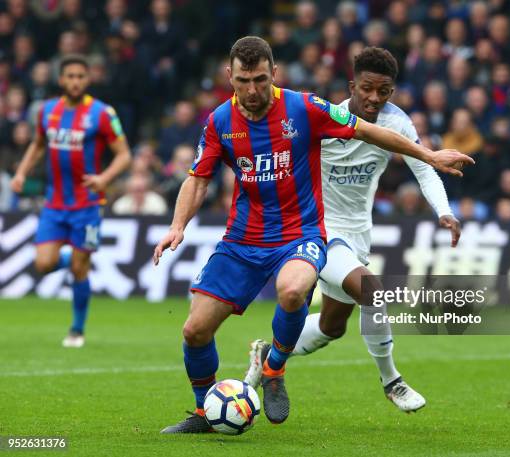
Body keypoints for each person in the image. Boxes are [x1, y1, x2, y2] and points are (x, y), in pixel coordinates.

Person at [153, 36, 473, 433]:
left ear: (275, 73)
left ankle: (273, 365)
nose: (251, 90)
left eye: (259, 79)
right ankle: (207, 411)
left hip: (307, 234)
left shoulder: (305, 108)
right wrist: (177, 226)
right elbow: (198, 179)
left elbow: (370, 133)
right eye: (242, 81)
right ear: (229, 77)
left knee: (312, 309)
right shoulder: (220, 120)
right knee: (195, 330)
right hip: (257, 237)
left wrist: (430, 162)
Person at [245, 47, 460, 413]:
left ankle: (267, 355)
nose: (374, 98)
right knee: (373, 292)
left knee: (332, 327)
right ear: (352, 86)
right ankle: (392, 381)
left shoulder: (397, 124)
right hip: (317, 233)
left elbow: (423, 167)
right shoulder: (325, 119)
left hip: (358, 235)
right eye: (367, 89)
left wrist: (444, 211)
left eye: (384, 91)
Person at [10, 55, 131, 348]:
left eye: (80, 76)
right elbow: (38, 144)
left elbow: (124, 154)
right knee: (43, 264)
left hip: (88, 204)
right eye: (70, 76)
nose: (75, 81)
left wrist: (104, 178)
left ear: (87, 80)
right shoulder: (47, 111)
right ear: (61, 79)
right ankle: (75, 257)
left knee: (79, 271)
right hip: (55, 204)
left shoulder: (101, 113)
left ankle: (77, 329)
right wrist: (22, 172)